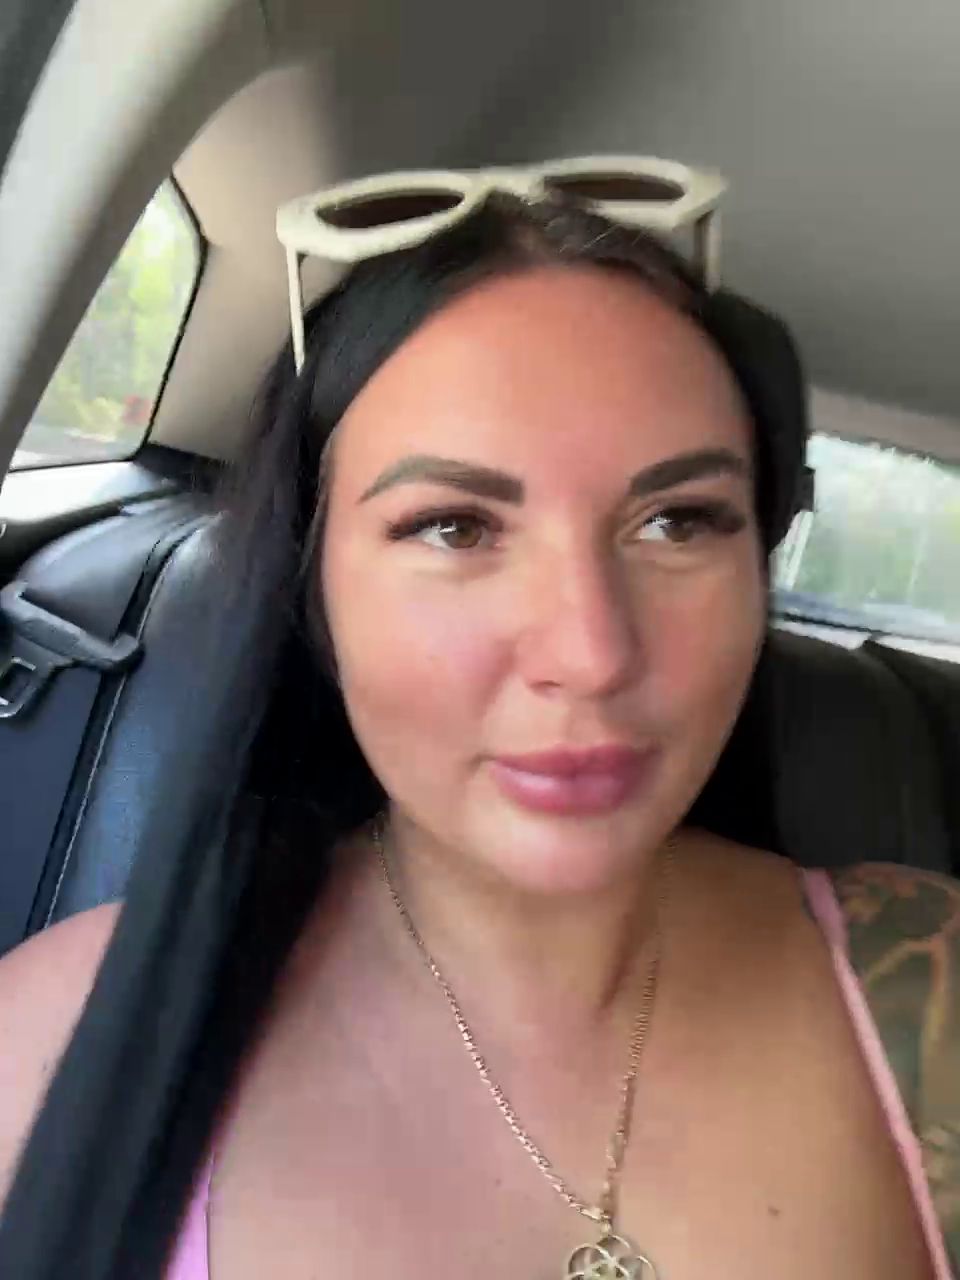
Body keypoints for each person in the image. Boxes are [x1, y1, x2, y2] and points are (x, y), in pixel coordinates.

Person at [0, 167, 958, 1280]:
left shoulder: (927, 990)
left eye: (678, 521)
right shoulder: (45, 1047)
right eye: (455, 527)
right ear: (312, 584)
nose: (591, 654)